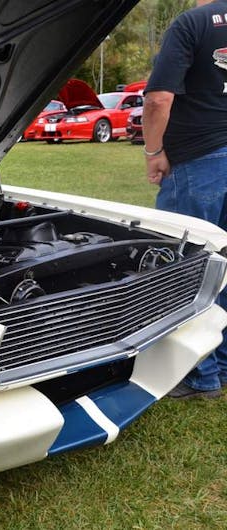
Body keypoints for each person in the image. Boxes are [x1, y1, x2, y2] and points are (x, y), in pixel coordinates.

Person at [143, 0, 227, 398]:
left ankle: (199, 374)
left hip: (197, 160)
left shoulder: (192, 22)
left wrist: (152, 151)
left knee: (186, 266)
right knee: (224, 268)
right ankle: (222, 362)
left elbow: (158, 98)